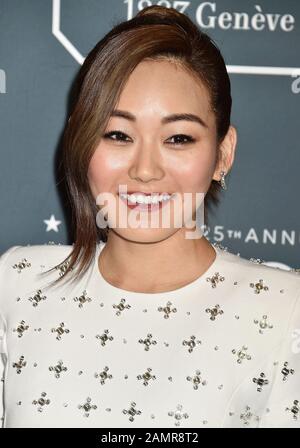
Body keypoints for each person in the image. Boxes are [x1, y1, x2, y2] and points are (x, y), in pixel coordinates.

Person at [0, 5, 299, 428]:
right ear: (81, 143)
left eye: (178, 138)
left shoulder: (285, 308)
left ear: (223, 154)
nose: (145, 170)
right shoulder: (16, 283)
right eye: (118, 135)